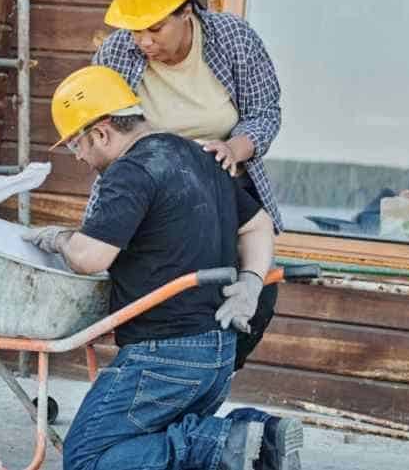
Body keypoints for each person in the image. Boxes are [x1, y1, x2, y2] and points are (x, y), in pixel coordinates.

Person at [24, 65, 303, 470]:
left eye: (76, 145)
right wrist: (251, 280)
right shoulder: (200, 155)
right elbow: (258, 225)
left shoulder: (131, 171)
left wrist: (58, 238)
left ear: (102, 132)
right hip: (218, 354)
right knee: (148, 445)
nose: (80, 158)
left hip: (164, 357)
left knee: (86, 459)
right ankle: (262, 438)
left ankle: (222, 442)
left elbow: (90, 258)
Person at [90, 0, 284, 370]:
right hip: (151, 190)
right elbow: (99, 132)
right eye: (134, 29)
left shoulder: (233, 39)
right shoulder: (115, 55)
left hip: (224, 182)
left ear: (186, 11)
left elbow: (266, 112)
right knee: (157, 302)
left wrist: (236, 148)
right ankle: (157, 380)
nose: (143, 41)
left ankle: (209, 378)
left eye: (155, 28)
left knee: (257, 296)